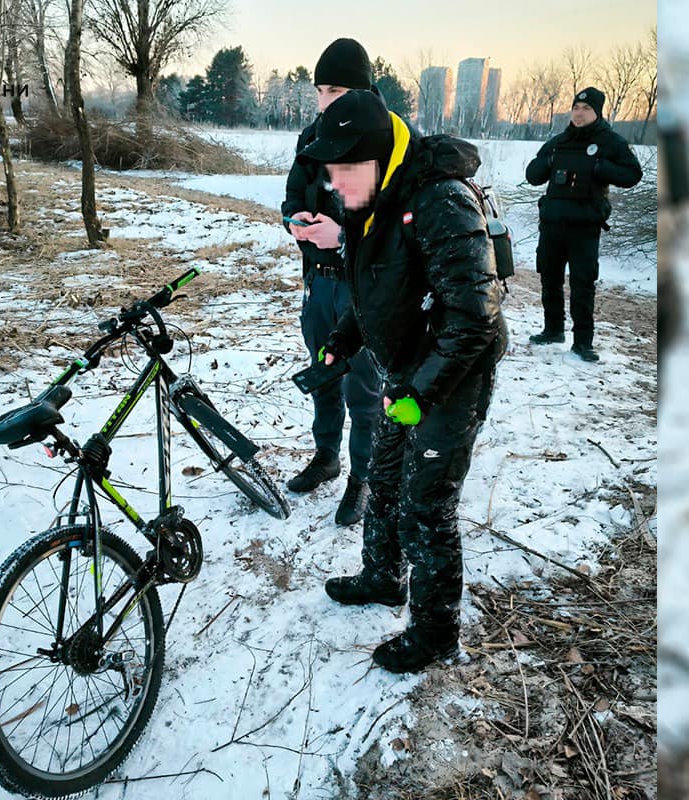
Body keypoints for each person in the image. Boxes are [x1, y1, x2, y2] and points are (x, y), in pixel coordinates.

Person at [297, 89, 508, 673]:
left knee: (426, 504)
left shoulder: (440, 199)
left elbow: (474, 314)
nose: (335, 185)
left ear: (373, 160)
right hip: (408, 370)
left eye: (342, 172)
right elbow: (376, 288)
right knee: (386, 477)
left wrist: (421, 389)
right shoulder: (374, 199)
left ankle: (436, 634)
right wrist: (341, 343)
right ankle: (383, 578)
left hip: (453, 372)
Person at [282, 38, 382, 526]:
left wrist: (341, 235)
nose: (326, 100)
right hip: (317, 283)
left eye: (337, 89)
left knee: (362, 387)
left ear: (361, 90)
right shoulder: (311, 137)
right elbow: (291, 193)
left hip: (360, 288)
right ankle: (327, 457)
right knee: (322, 372)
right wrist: (294, 220)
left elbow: (383, 225)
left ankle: (363, 478)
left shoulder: (379, 139)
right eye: (320, 89)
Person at [524, 87, 643, 362]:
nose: (579, 113)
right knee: (549, 279)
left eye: (586, 108)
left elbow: (632, 174)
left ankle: (582, 343)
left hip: (585, 226)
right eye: (576, 107)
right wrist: (549, 162)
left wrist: (601, 169)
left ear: (597, 112)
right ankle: (553, 330)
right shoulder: (559, 142)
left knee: (582, 284)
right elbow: (532, 175)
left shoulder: (609, 142)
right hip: (552, 224)